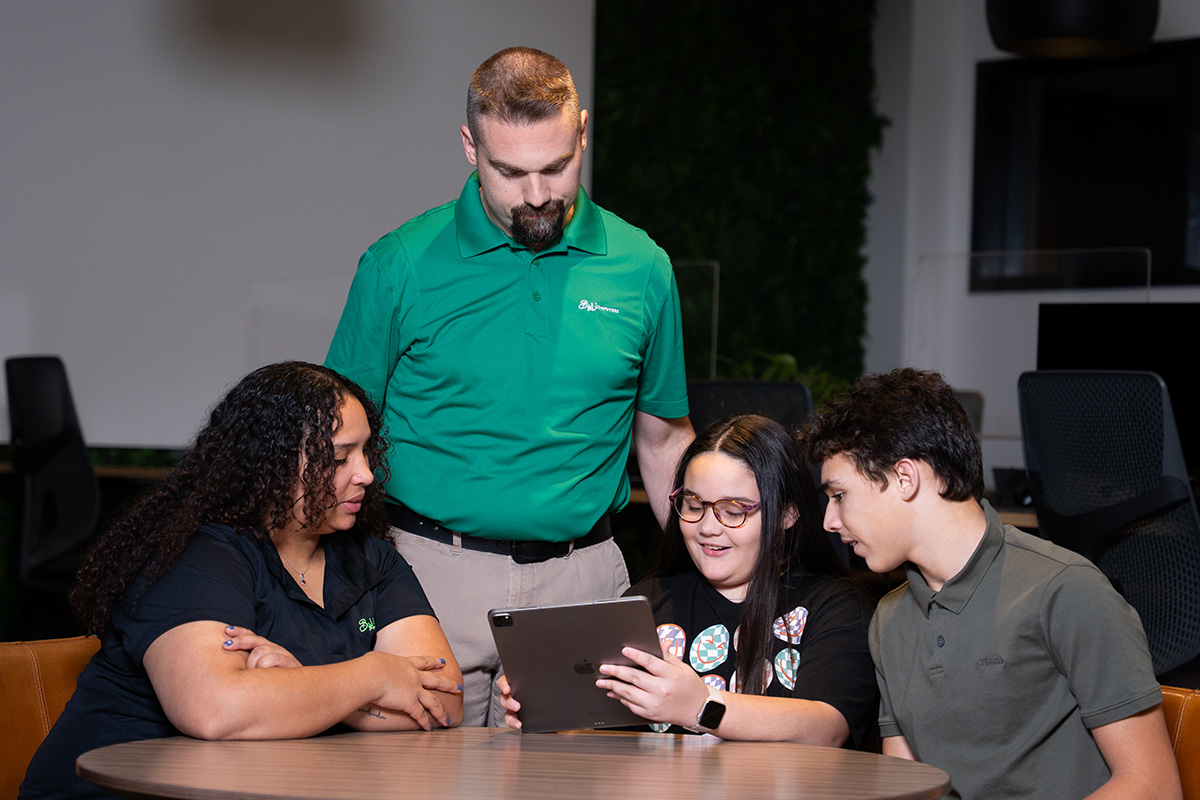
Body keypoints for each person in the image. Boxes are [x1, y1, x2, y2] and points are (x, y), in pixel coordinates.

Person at [325, 46, 692, 726]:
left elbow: (664, 437)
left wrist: (717, 582)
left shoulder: (643, 266)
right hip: (427, 575)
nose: (536, 195)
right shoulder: (399, 264)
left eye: (556, 166)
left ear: (583, 132)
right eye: (509, 171)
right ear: (470, 147)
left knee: (578, 787)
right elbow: (334, 440)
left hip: (582, 580)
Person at [20, 362, 463, 800]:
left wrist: (304, 684)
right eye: (341, 457)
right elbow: (216, 710)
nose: (365, 474)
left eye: (367, 452)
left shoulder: (373, 560)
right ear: (274, 463)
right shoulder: (195, 555)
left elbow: (447, 702)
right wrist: (374, 674)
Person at [797, 368, 1183, 800]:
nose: (830, 522)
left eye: (839, 495)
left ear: (904, 478)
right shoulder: (890, 618)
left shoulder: (1066, 592)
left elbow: (1153, 785)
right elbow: (903, 786)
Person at [500, 415, 877, 746]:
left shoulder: (835, 608)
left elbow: (826, 728)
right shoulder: (645, 604)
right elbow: (607, 742)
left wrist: (701, 706)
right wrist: (554, 716)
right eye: (694, 506)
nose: (708, 528)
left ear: (787, 515)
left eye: (733, 511)